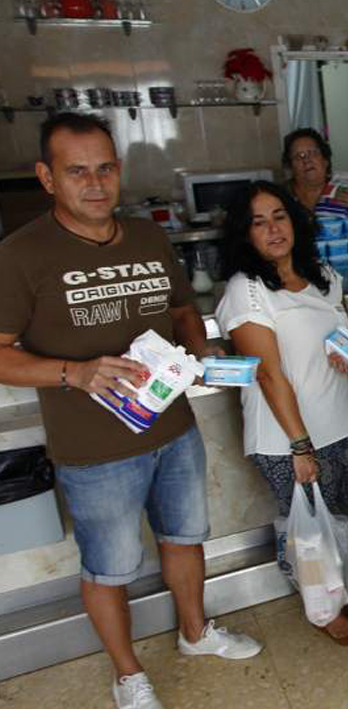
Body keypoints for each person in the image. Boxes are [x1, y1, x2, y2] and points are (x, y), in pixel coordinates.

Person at [0, 113, 261, 709]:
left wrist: (202, 350)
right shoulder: (20, 254)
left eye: (106, 168)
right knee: (109, 567)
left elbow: (180, 310)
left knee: (185, 538)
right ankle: (128, 674)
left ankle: (196, 634)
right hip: (94, 450)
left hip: (172, 427)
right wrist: (75, 372)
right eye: (77, 171)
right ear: (47, 177)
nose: (95, 184)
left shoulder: (146, 236)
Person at [215, 181, 348, 646]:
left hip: (341, 421)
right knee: (316, 535)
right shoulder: (247, 290)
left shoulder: (322, 274)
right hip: (287, 438)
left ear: (295, 221)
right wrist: (300, 446)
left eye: (279, 215)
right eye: (258, 222)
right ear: (246, 234)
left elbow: (341, 339)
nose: (272, 228)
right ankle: (326, 611)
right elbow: (268, 374)